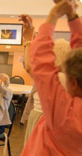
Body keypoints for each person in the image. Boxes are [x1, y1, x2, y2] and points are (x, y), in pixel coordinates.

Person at [1, 0, 82, 156]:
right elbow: (46, 62)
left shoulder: (63, 113)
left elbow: (41, 65)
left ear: (73, 82)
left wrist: (57, 14)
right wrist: (71, 18)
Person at [19, 14, 71, 143]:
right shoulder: (71, 79)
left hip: (42, 119)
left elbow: (30, 67)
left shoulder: (52, 77)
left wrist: (28, 39)